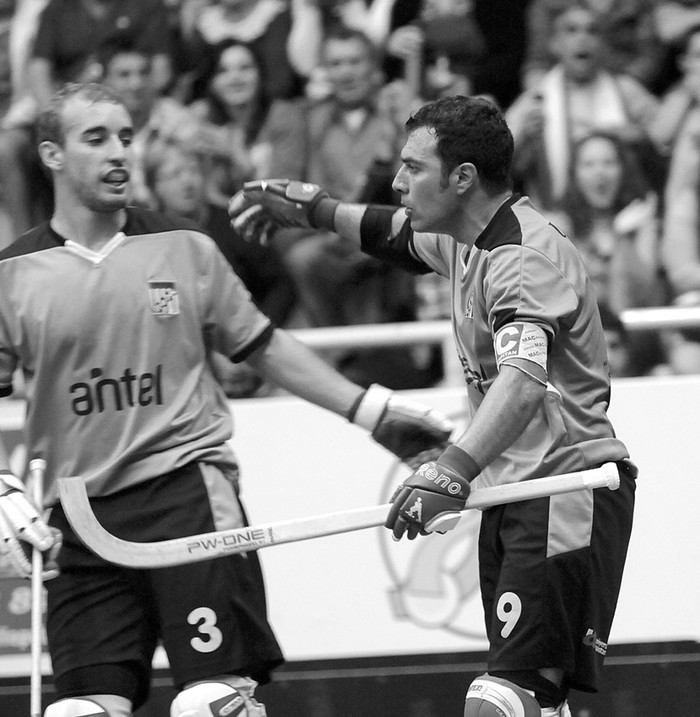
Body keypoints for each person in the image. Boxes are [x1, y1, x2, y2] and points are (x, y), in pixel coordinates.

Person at [0, 82, 455, 717]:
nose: (118, 154)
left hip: (189, 498)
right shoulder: (12, 274)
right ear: (51, 154)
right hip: (79, 520)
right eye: (96, 138)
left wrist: (373, 412)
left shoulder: (185, 247)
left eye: (127, 138)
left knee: (211, 706)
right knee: (78, 713)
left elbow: (262, 345)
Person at [229, 94, 638, 717]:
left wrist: (452, 467)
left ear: (463, 178)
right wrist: (312, 208)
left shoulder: (523, 258)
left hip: (565, 490)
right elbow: (391, 234)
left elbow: (523, 381)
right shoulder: (465, 239)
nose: (397, 182)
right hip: (517, 495)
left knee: (502, 702)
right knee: (533, 703)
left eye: (412, 168)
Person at [143, 136, 298, 396]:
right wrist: (209, 355)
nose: (187, 182)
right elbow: (160, 316)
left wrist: (251, 345)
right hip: (182, 365)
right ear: (153, 187)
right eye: (173, 174)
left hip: (254, 347)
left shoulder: (235, 223)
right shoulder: (147, 240)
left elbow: (281, 287)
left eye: (192, 170)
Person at [505, 2, 662, 212]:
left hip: (625, 219)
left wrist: (642, 140)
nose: (582, 39)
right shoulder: (535, 100)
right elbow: (500, 165)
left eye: (592, 31)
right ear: (554, 43)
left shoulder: (626, 91)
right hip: (555, 221)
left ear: (603, 44)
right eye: (571, 30)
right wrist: (525, 141)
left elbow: (665, 148)